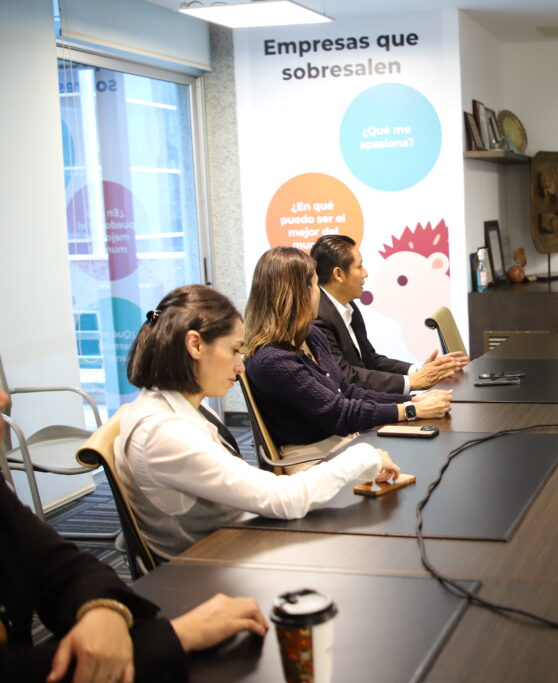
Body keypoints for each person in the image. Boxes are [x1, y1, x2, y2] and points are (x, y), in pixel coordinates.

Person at [115, 284, 401, 559]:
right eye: (233, 350)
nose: (240, 366)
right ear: (195, 345)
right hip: (215, 565)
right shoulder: (165, 433)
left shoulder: (179, 407)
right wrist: (363, 457)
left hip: (237, 541)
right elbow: (283, 499)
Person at [0, 480, 268, 683]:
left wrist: (103, 609)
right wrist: (176, 636)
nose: (4, 402)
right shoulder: (161, 430)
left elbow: (68, 566)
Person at [244, 247, 451, 453]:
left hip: (344, 440)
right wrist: (411, 410)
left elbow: (349, 392)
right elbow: (338, 414)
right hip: (313, 456)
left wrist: (412, 400)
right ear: (299, 294)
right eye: (316, 284)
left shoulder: (311, 335)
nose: (320, 293)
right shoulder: (273, 361)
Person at [309, 234, 467, 393]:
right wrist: (412, 382)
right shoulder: (319, 317)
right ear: (338, 274)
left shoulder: (349, 306)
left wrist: (421, 372)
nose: (365, 273)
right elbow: (346, 376)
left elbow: (371, 360)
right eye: (359, 267)